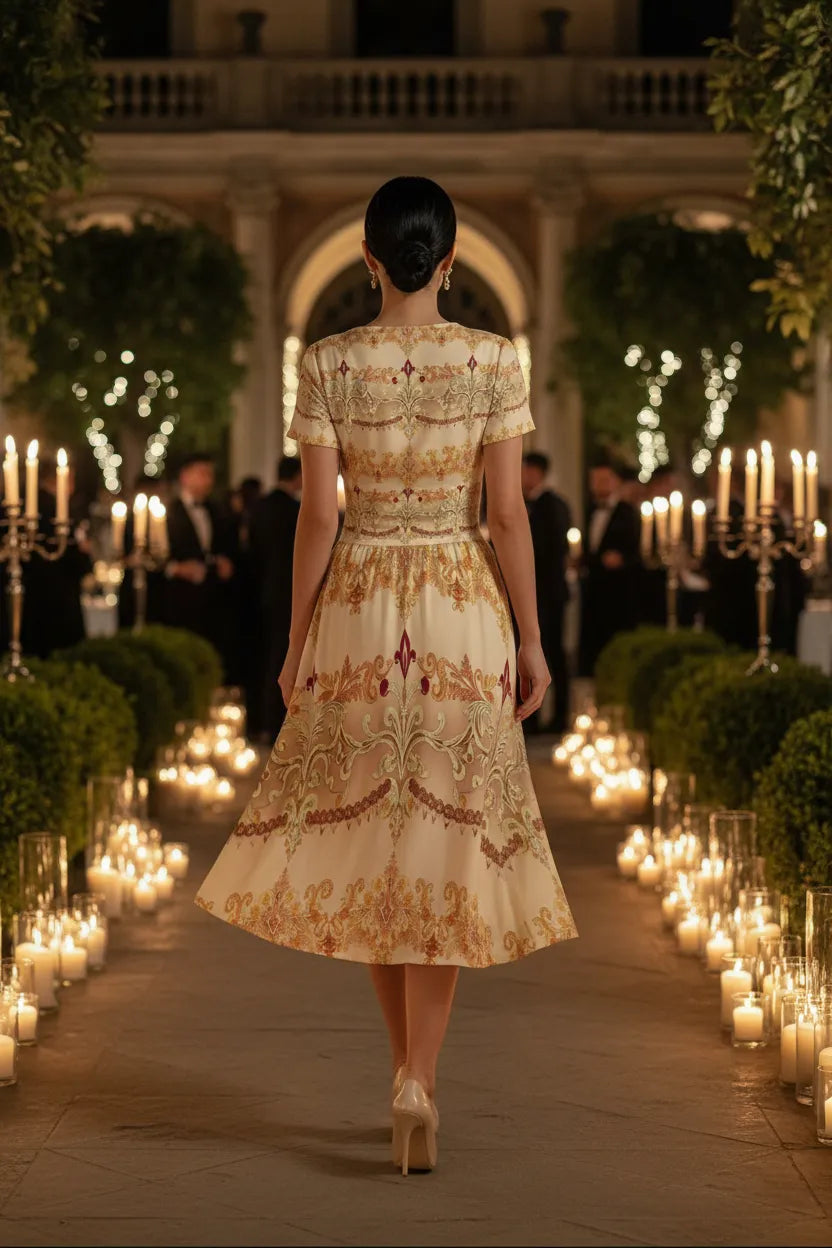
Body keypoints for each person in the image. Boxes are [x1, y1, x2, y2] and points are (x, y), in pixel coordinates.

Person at [197, 175, 576, 1176]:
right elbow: (506, 515)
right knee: (446, 853)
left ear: (369, 259)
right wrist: (532, 639)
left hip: (360, 608)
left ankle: (403, 1072)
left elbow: (318, 516)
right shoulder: (494, 359)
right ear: (447, 260)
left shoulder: (327, 361)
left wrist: (293, 641)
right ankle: (421, 1080)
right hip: (459, 609)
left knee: (376, 843)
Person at [161, 453, 238, 674]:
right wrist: (176, 568)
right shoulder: (169, 512)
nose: (209, 480)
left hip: (212, 600)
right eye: (203, 474)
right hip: (179, 601)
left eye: (210, 475)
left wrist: (224, 561)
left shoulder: (216, 510)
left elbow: (219, 548)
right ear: (185, 477)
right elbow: (157, 556)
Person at [248, 456, 303, 738]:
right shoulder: (297, 511)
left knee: (264, 655)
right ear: (298, 476)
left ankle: (261, 722)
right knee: (282, 657)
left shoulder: (260, 507)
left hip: (260, 591)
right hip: (288, 593)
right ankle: (278, 724)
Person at [520, 451, 572, 733]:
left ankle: (561, 715)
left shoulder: (554, 505)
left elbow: (553, 550)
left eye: (526, 470)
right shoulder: (519, 501)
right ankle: (532, 718)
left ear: (538, 473)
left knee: (552, 652)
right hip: (529, 592)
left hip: (549, 594)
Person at [578, 455, 640, 675]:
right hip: (593, 590)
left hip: (618, 593)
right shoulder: (590, 511)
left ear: (616, 482)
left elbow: (637, 553)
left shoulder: (627, 513)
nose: (598, 485)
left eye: (604, 479)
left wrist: (621, 560)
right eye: (594, 480)